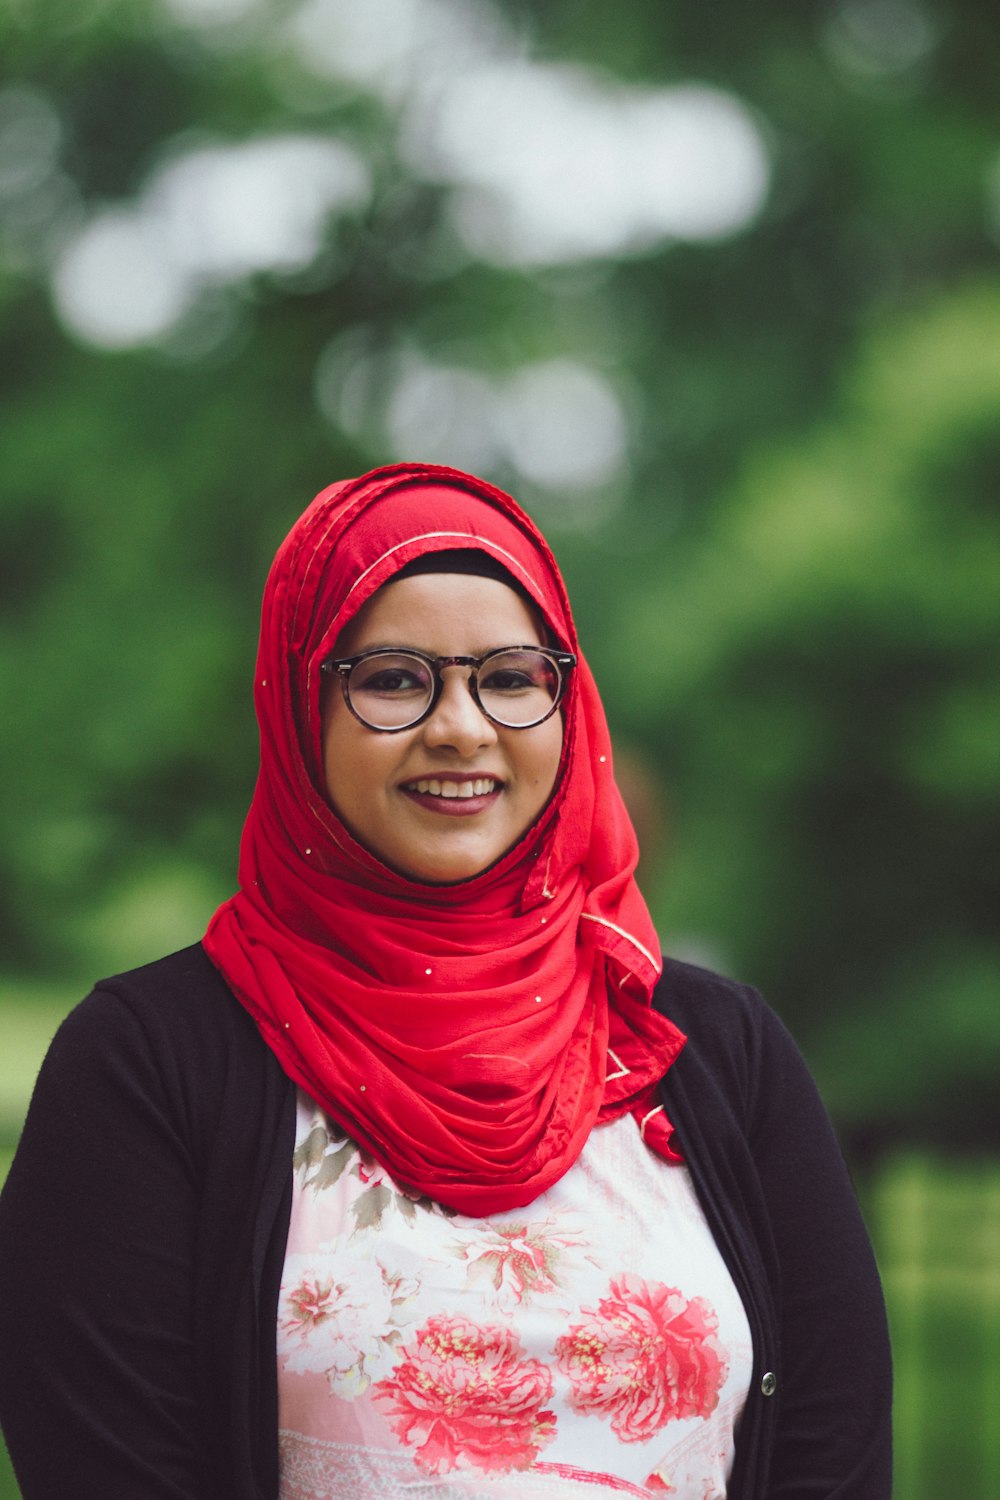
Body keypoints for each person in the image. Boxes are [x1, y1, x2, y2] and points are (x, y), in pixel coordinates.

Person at [0, 462, 892, 1499]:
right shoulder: (148, 1064)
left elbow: (833, 1448)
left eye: (511, 677)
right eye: (393, 679)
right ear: (300, 707)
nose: (462, 726)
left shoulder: (714, 1049)